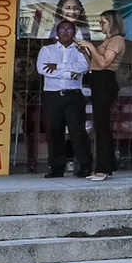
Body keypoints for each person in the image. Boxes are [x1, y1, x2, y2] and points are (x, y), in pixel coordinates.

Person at [39, 19, 92, 179]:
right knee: (54, 133)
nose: (65, 32)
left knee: (78, 133)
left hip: (74, 96)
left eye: (69, 30)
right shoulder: (46, 50)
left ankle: (84, 167)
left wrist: (59, 67)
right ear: (57, 33)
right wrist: (71, 72)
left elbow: (84, 67)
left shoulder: (80, 51)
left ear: (75, 33)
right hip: (53, 97)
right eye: (62, 30)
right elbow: (43, 69)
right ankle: (56, 168)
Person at [78, 9, 126, 181]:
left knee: (102, 125)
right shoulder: (107, 40)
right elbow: (96, 61)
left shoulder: (117, 40)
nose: (100, 25)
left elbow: (105, 62)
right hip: (97, 81)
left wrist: (90, 45)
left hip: (105, 82)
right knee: (101, 125)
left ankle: (102, 168)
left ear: (112, 22)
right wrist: (86, 51)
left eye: (103, 22)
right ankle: (107, 165)